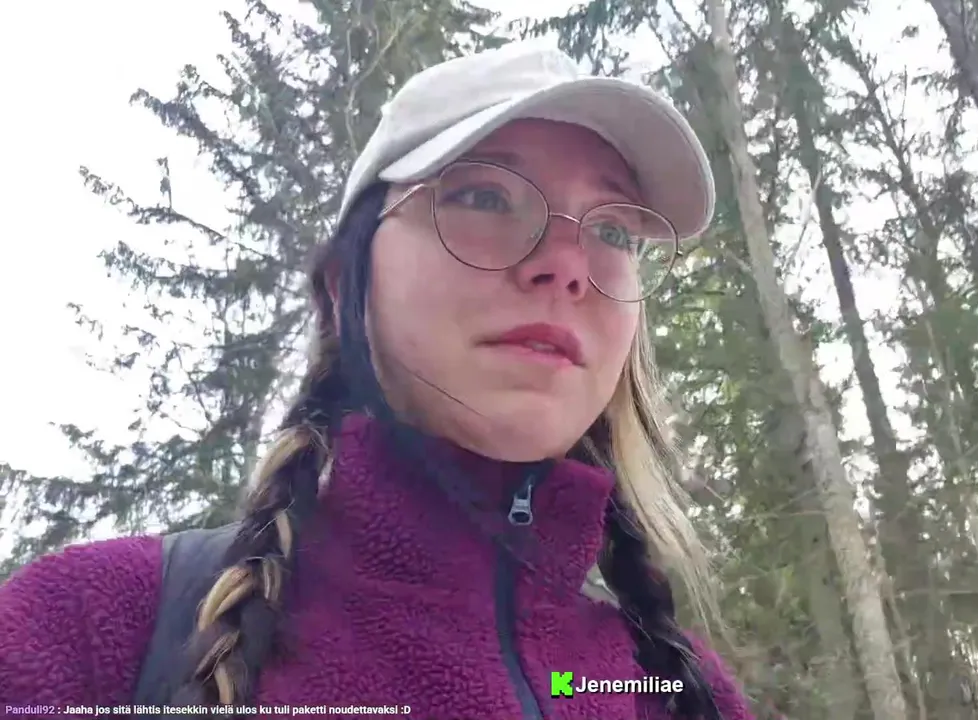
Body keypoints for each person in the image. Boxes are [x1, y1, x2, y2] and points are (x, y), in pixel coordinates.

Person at [0, 41, 753, 720]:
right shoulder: (87, 627)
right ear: (344, 288)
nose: (567, 264)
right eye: (483, 196)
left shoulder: (679, 692)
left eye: (614, 230)